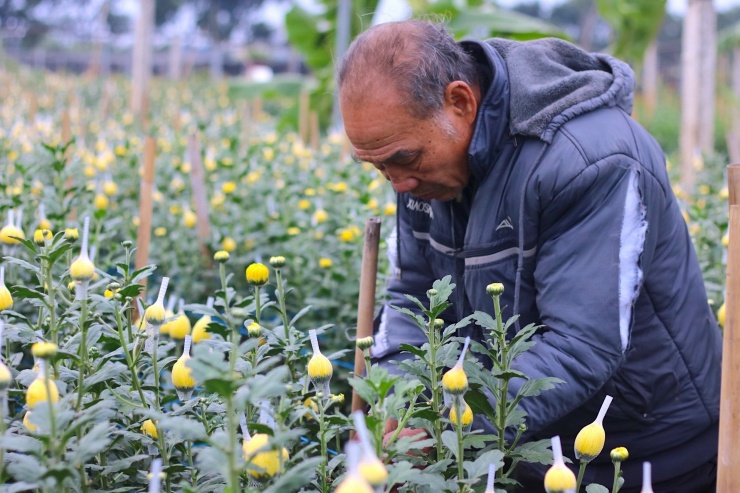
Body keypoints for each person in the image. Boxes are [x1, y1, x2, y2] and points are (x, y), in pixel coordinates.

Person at [337, 19, 721, 493]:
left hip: (643, 454)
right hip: (522, 446)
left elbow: (582, 343)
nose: (397, 184)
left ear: (460, 102)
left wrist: (443, 426)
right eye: (378, 167)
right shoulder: (421, 165)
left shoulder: (589, 158)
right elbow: (411, 295)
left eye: (403, 159)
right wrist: (398, 405)